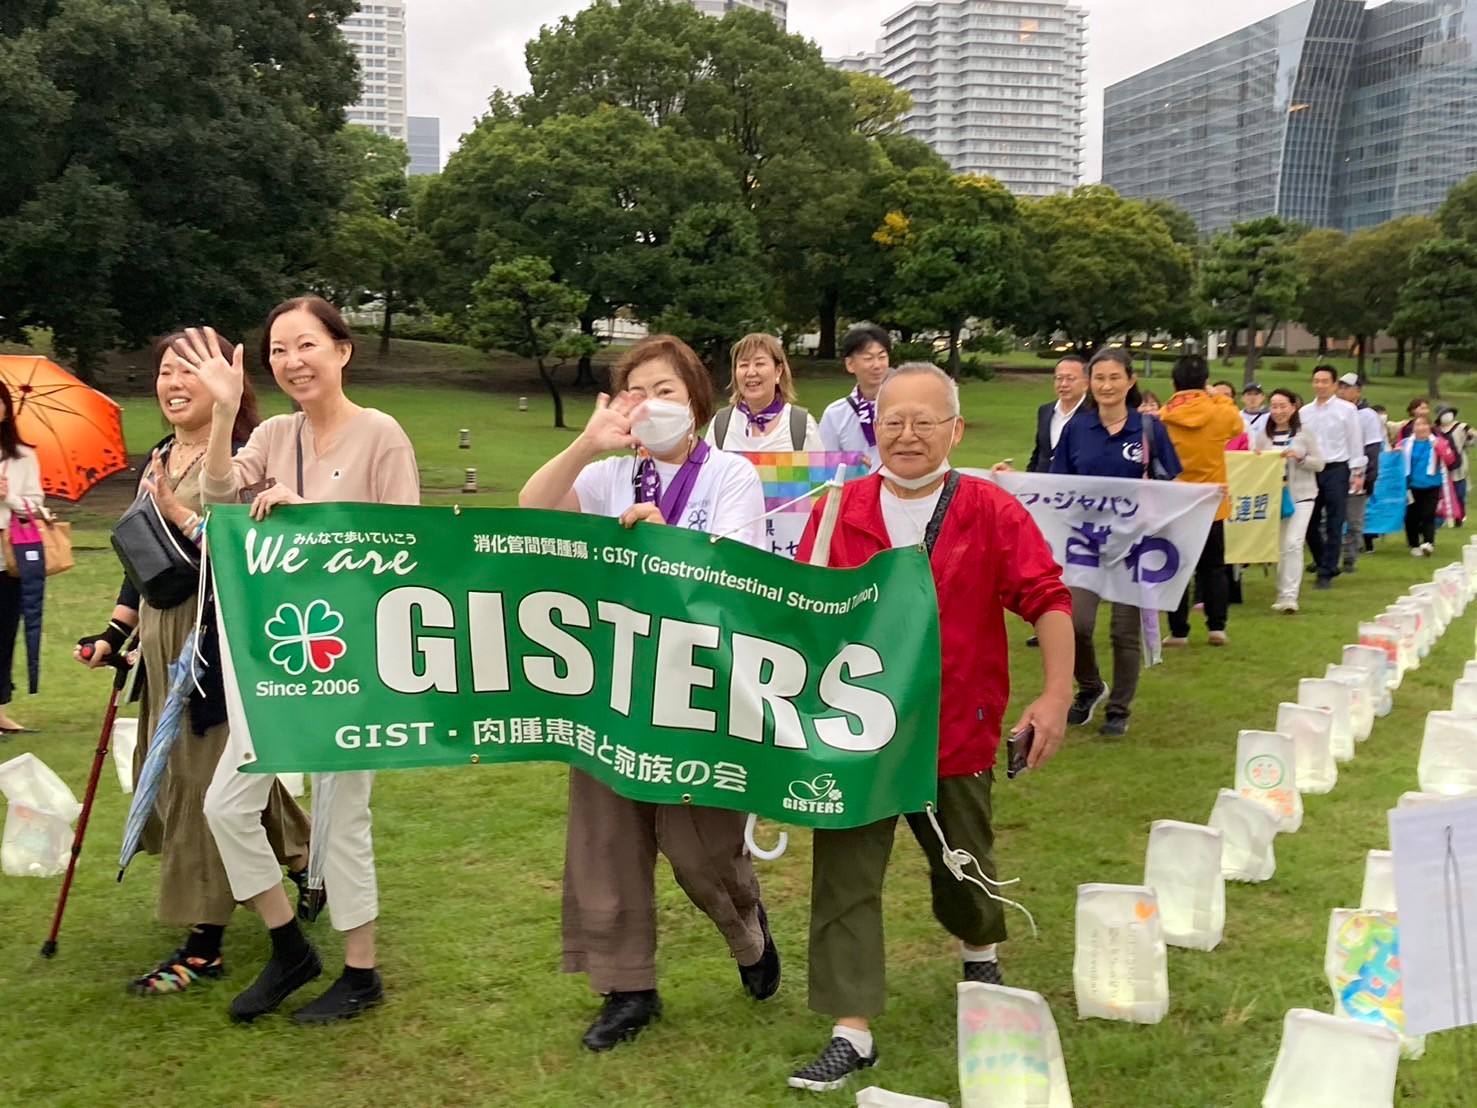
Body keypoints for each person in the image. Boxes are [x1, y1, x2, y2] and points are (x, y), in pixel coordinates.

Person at [787, 362, 1072, 1093]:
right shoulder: (836, 509)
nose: (906, 434)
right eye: (892, 421)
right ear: (871, 428)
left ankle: (978, 949)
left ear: (955, 428)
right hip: (857, 737)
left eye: (923, 420)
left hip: (956, 729)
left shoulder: (987, 508)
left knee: (963, 863)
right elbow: (796, 610)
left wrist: (1053, 695)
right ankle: (851, 1030)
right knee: (844, 877)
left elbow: (1044, 596)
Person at [520, 334, 780, 1052]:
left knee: (700, 846)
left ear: (695, 400)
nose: (650, 405)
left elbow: (734, 576)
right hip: (611, 687)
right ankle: (627, 986)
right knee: (607, 842)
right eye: (635, 392)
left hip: (701, 689)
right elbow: (534, 508)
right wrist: (584, 447)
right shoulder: (609, 479)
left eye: (664, 390)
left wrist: (667, 541)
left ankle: (748, 932)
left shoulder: (730, 475)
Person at [185, 296, 420, 1025]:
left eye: (306, 344)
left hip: (355, 660)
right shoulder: (277, 434)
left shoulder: (381, 435)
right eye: (278, 350)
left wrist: (314, 522)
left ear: (341, 351)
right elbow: (213, 494)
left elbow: (409, 549)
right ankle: (290, 947)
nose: (292, 361)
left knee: (341, 815)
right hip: (283, 660)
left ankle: (361, 972)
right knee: (225, 806)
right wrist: (225, 416)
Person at [73, 333, 313, 995]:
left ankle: (203, 944)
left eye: (188, 370)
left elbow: (250, 556)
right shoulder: (157, 456)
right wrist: (114, 633)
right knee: (207, 780)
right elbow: (140, 555)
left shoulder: (244, 458)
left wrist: (186, 518)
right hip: (159, 639)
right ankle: (305, 855)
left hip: (213, 647)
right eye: (163, 371)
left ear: (222, 383)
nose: (172, 381)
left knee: (200, 791)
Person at [1052, 349, 1182, 738]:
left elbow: (1171, 484)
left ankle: (1119, 708)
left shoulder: (1149, 429)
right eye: (1099, 378)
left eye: (1114, 378)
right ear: (1090, 383)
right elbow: (1056, 484)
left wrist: (1205, 497)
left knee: (1124, 631)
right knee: (1075, 623)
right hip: (1086, 543)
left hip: (1135, 545)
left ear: (1129, 381)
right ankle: (1090, 687)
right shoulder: (1077, 428)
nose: (1107, 386)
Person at [1160, 355, 1243, 647]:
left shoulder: (1163, 415)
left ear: (1174, 383)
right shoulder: (1219, 411)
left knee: (1176, 565)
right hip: (1212, 502)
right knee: (1213, 567)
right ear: (1205, 382)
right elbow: (1237, 425)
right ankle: (1216, 627)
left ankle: (1178, 631)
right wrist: (1218, 397)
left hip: (1175, 501)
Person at [1254, 389, 1324, 613]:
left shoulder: (1304, 433)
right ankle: (1282, 592)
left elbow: (1320, 463)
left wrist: (1300, 458)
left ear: (1293, 407)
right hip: (1276, 498)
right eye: (1274, 406)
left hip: (1302, 496)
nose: (1278, 411)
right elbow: (1255, 462)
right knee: (1282, 547)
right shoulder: (1264, 435)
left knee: (1294, 543)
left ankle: (1290, 596)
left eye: (1283, 406)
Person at [1299, 366, 1366, 590]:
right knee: (1310, 521)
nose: (1319, 385)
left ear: (1334, 384)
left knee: (1335, 522)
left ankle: (1326, 572)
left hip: (1337, 468)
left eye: (1324, 381)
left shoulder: (1347, 410)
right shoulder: (1304, 412)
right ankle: (1323, 561)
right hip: (1311, 469)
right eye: (1316, 381)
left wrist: (1357, 473)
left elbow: (1355, 441)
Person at [0, 389, 43, 733]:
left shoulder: (24, 457)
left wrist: (9, 496)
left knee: (3, 635)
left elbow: (38, 508)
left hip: (8, 559)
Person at [705, 332, 823, 452]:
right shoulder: (721, 425)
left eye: (759, 364)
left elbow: (818, 471)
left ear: (778, 371)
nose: (750, 372)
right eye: (743, 365)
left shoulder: (802, 426)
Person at [819, 323, 891, 470]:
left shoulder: (904, 406)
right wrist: (851, 461)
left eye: (882, 356)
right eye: (868, 358)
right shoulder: (836, 414)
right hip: (855, 490)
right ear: (850, 364)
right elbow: (824, 463)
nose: (877, 365)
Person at [1336, 373, 1385, 570]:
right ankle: (1327, 556)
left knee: (1354, 520)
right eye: (1340, 387)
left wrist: (1368, 477)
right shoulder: (1336, 412)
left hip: (1357, 474)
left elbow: (1372, 449)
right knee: (1328, 518)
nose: (1343, 391)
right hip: (1335, 472)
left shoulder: (1367, 416)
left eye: (1347, 388)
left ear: (1358, 391)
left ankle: (1350, 557)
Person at [1402, 413, 1457, 555]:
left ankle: (1428, 543)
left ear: (1430, 426)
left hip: (1432, 484)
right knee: (1411, 516)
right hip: (1411, 486)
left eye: (1425, 424)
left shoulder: (1439, 442)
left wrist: (1441, 449)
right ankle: (1413, 543)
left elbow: (1451, 461)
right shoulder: (1405, 444)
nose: (1422, 428)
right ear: (1413, 428)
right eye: (1418, 425)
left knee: (1428, 515)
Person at [1026, 355, 1088, 472]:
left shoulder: (1094, 414)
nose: (1063, 384)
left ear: (1086, 383)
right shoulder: (1045, 411)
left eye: (1070, 379)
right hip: (1042, 485)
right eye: (1059, 378)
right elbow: (1039, 454)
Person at [1436, 407, 1472, 524]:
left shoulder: (1461, 427)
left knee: (1460, 493)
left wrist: (1471, 436)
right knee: (1444, 495)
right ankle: (1442, 517)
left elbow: (1470, 442)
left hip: (1459, 467)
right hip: (1442, 467)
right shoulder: (1436, 430)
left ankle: (1460, 517)